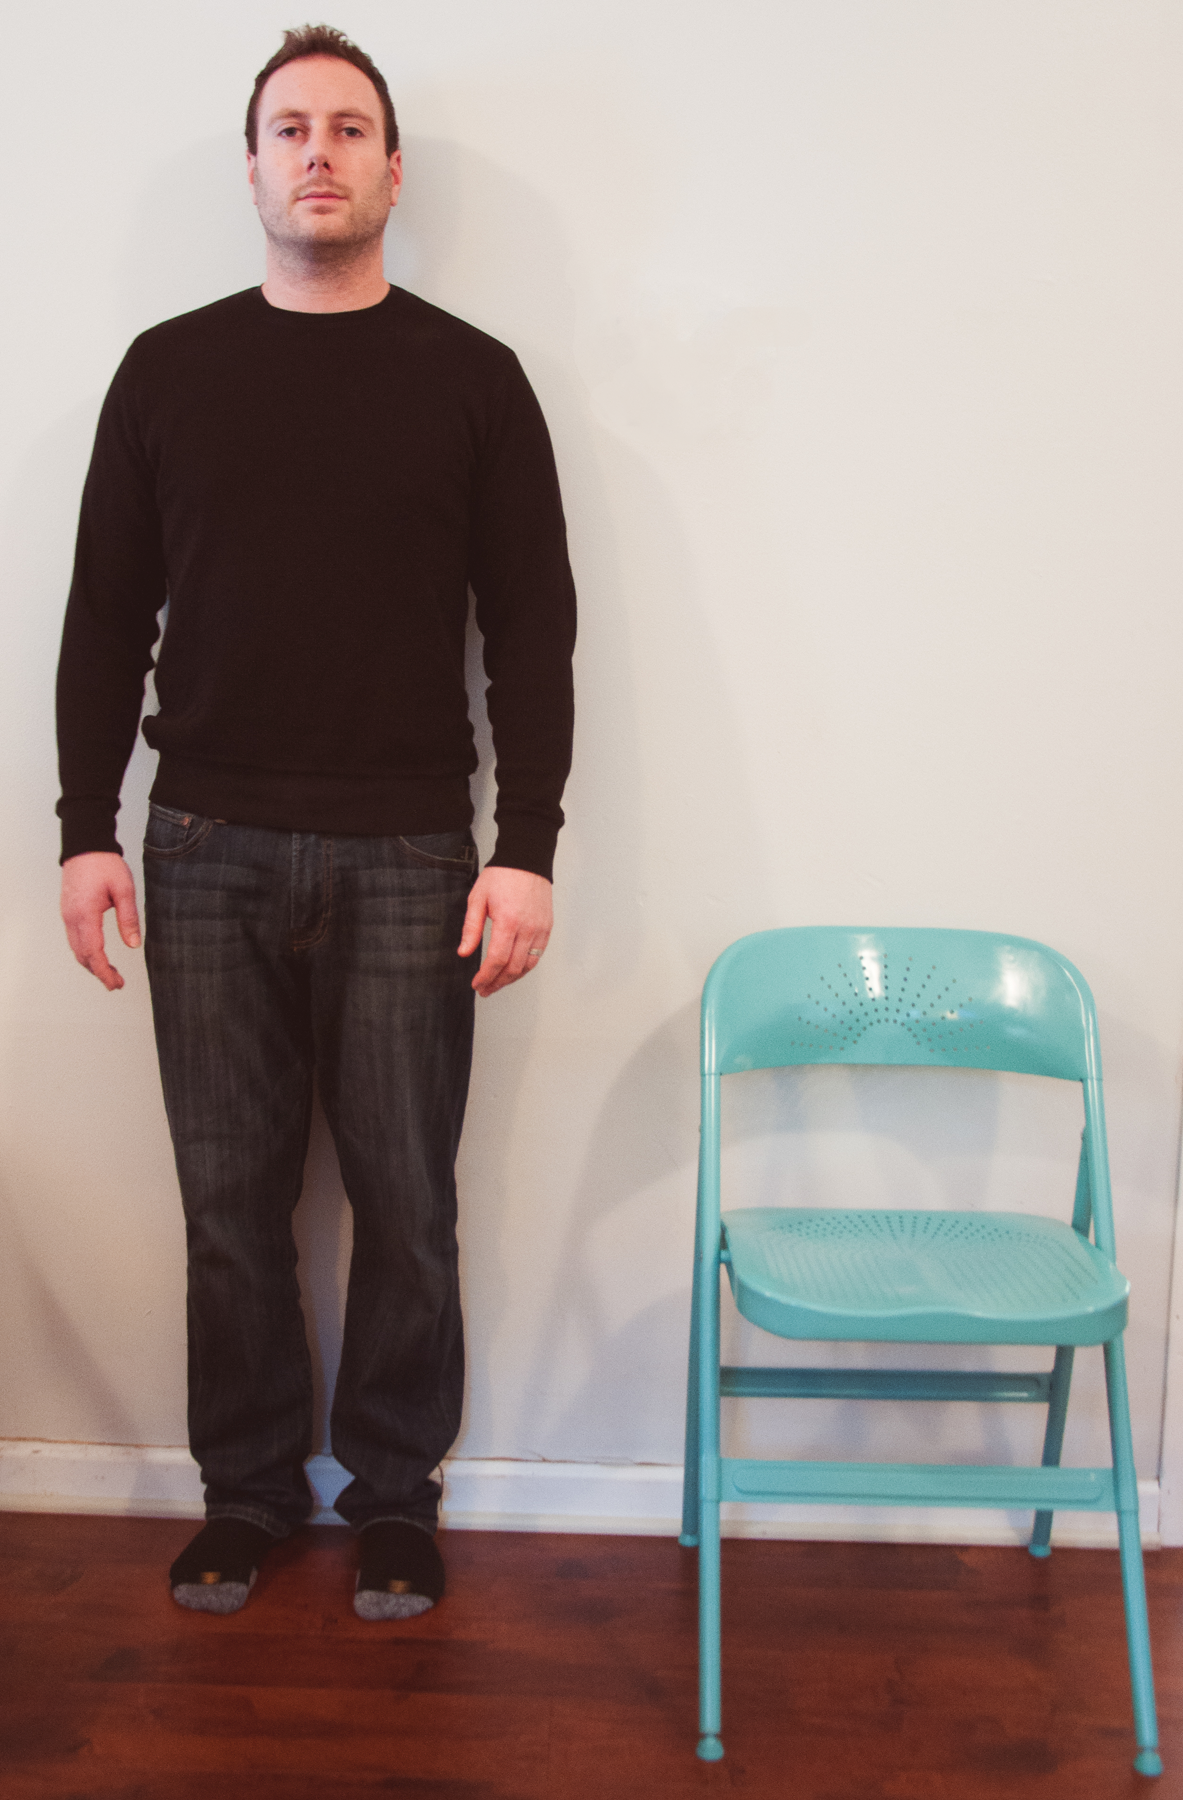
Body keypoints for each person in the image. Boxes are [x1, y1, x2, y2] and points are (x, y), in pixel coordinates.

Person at [56, 25, 575, 1620]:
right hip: (201, 842)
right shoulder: (166, 370)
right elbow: (102, 619)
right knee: (230, 1205)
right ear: (254, 163)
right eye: (291, 127)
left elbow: (533, 629)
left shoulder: (473, 379)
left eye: (351, 128)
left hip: (416, 852)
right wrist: (85, 827)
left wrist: (528, 847)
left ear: (391, 169)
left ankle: (398, 1500)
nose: (320, 152)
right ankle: (251, 1495)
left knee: (410, 1201)